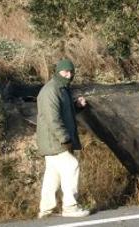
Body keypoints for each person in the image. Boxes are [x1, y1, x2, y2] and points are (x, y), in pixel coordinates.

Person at [36, 58, 90, 218]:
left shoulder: (62, 89)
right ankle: (70, 207)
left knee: (52, 175)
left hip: (54, 140)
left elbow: (63, 113)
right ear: (57, 71)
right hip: (54, 140)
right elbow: (53, 119)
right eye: (65, 71)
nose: (68, 74)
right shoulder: (50, 91)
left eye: (71, 72)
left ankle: (46, 210)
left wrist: (76, 106)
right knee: (71, 165)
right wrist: (65, 139)